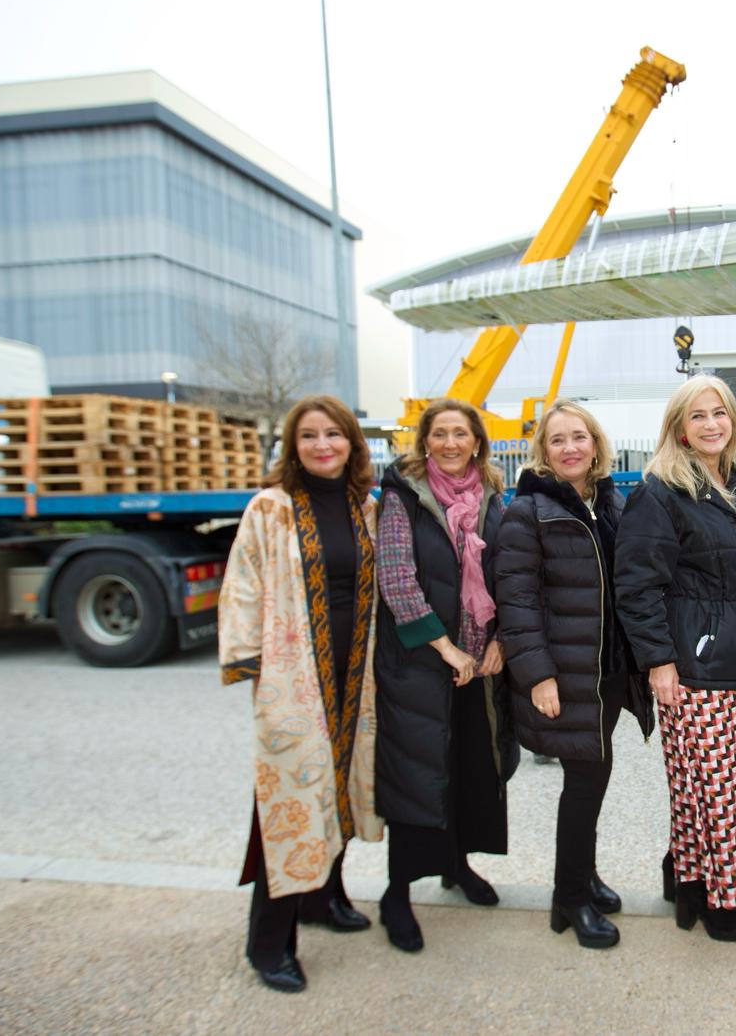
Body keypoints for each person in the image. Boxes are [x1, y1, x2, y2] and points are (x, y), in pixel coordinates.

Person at [218, 394, 384, 994]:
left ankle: (325, 898)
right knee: (289, 801)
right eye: (309, 436)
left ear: (351, 443)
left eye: (334, 434)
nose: (322, 445)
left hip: (355, 672)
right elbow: (242, 585)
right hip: (294, 675)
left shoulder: (365, 506)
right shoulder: (270, 508)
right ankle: (269, 943)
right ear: (293, 445)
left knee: (341, 786)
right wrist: (251, 666)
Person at [615, 374, 736, 942]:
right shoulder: (660, 492)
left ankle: (686, 878)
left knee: (714, 783)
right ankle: (719, 900)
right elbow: (636, 588)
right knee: (714, 788)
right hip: (692, 666)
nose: (712, 424)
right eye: (698, 416)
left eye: (720, 413)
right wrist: (659, 663)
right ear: (679, 429)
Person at [494, 400, 654, 949]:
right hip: (563, 676)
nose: (570, 448)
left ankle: (581, 877)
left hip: (604, 673)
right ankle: (570, 899)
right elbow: (516, 602)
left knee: (592, 779)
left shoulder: (607, 504)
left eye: (579, 437)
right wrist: (538, 675)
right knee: (584, 784)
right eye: (558, 439)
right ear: (543, 448)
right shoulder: (528, 511)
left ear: (596, 445)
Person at [372, 398, 519, 953]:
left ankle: (456, 866)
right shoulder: (403, 496)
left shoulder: (494, 497)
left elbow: (509, 572)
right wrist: (444, 648)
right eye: (441, 434)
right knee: (418, 775)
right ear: (425, 442)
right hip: (420, 665)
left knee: (470, 769)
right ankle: (396, 895)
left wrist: (501, 639)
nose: (452, 443)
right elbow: (397, 577)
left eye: (462, 433)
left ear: (478, 441)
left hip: (481, 664)